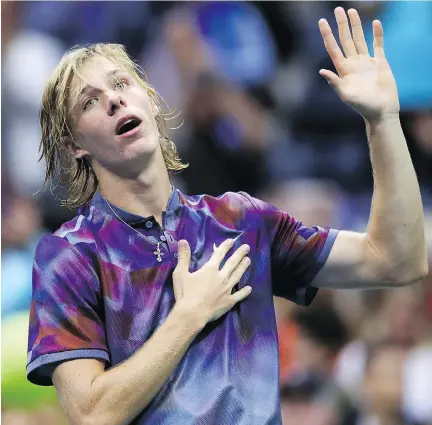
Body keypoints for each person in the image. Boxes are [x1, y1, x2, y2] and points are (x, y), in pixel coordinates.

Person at [26, 7, 427, 425]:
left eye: (121, 84)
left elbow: (396, 259)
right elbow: (92, 416)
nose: (113, 99)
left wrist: (383, 121)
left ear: (150, 99)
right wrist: (188, 317)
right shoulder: (68, 257)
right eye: (90, 101)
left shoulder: (240, 220)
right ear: (75, 146)